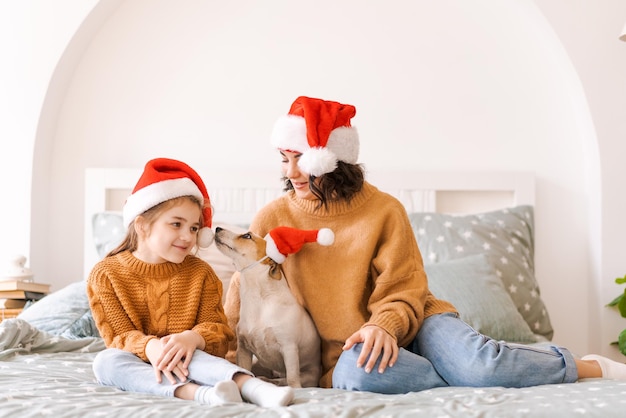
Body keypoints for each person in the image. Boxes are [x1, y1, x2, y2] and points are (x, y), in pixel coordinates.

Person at [224, 96, 626, 393]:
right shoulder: (272, 219)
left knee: (481, 368)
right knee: (353, 376)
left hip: (419, 323)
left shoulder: (383, 210)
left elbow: (405, 286)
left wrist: (383, 325)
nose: (290, 171)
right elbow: (246, 295)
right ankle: (462, 375)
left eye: (300, 158)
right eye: (283, 158)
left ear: (331, 159)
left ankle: (586, 366)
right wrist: (226, 361)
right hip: (350, 352)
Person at [87, 158, 294, 407]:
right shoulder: (106, 274)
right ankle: (200, 394)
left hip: (192, 359)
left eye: (195, 228)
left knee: (194, 356)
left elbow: (219, 333)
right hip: (138, 362)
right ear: (142, 225)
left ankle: (252, 386)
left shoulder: (200, 273)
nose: (188, 237)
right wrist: (151, 347)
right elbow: (118, 336)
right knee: (106, 363)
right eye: (176, 224)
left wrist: (192, 339)